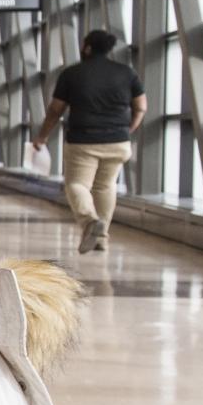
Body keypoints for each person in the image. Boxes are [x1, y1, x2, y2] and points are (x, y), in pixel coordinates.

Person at [33, 29, 145, 253]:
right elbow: (141, 107)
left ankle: (90, 222)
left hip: (83, 140)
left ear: (87, 47)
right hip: (118, 141)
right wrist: (126, 130)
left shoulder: (72, 74)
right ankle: (101, 239)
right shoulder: (127, 73)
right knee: (105, 186)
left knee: (76, 184)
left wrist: (42, 136)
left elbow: (55, 110)